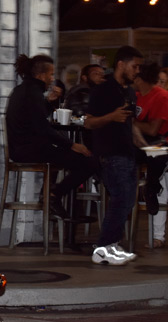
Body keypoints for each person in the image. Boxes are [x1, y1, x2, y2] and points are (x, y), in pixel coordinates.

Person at [5, 54, 97, 220]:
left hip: (20, 148)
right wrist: (72, 145)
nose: (53, 78)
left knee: (68, 158)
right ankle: (53, 196)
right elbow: (43, 129)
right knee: (88, 163)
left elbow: (33, 119)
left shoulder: (22, 90)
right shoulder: (33, 93)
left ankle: (50, 195)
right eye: (51, 74)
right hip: (28, 150)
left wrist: (48, 102)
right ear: (41, 75)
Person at [85, 45, 144, 265]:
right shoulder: (103, 90)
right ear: (121, 64)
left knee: (127, 200)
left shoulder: (128, 91)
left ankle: (111, 245)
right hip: (110, 152)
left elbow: (130, 122)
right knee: (121, 198)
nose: (137, 71)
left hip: (127, 151)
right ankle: (103, 248)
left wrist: (142, 142)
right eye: (134, 66)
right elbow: (89, 122)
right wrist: (111, 117)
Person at [132, 62, 168, 216]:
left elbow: (153, 130)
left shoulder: (161, 96)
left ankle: (151, 188)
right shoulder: (134, 95)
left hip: (160, 142)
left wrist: (131, 122)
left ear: (139, 79)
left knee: (158, 154)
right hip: (138, 142)